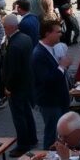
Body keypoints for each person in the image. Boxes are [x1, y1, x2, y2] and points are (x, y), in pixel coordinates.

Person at [32, 20, 74, 149]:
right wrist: (62, 67)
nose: (60, 34)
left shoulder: (52, 49)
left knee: (62, 132)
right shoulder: (38, 54)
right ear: (47, 33)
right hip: (50, 102)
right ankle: (48, 159)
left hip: (59, 99)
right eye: (58, 32)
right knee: (52, 133)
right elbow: (46, 80)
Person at [1, 13, 38, 156]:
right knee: (26, 113)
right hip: (26, 83)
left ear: (10, 27)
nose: (4, 29)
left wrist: (8, 87)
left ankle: (23, 144)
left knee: (19, 116)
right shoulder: (25, 38)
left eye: (4, 27)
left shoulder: (15, 45)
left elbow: (13, 69)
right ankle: (32, 137)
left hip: (17, 86)